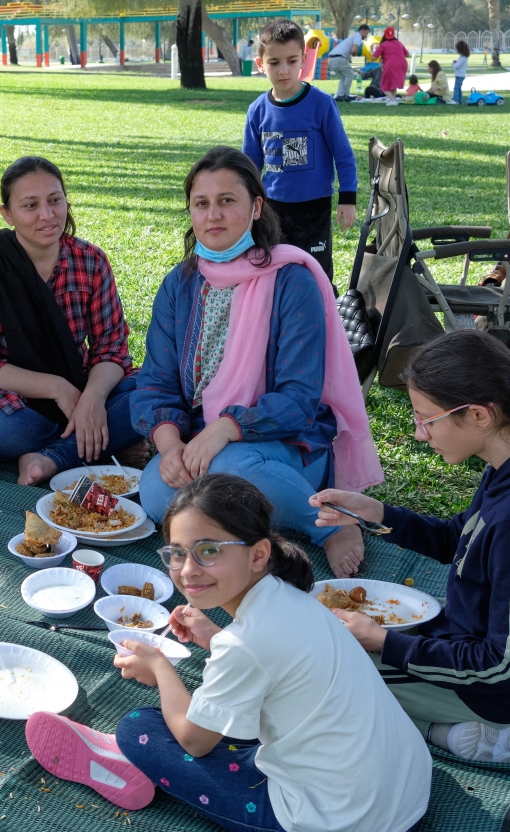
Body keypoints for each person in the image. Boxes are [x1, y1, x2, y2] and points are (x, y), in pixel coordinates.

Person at [23, 474, 431, 832]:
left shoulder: (244, 643)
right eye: (177, 552)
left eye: (209, 551)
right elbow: (271, 662)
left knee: (139, 729)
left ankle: (123, 758)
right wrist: (217, 636)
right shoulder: (297, 599)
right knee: (236, 722)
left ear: (258, 554)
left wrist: (160, 668)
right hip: (406, 792)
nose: (187, 570)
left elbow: (196, 742)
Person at [311, 330, 510, 763]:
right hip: (471, 646)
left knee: (312, 668)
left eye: (426, 419)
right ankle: (450, 731)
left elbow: (503, 664)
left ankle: (470, 729)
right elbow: (455, 538)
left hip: (488, 689)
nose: (421, 434)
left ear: (480, 415)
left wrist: (383, 643)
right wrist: (379, 513)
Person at [132, 147, 382, 578]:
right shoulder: (180, 283)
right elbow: (155, 380)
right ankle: (231, 523)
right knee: (155, 493)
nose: (214, 215)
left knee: (232, 471)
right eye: (201, 203)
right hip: (198, 443)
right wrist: (171, 446)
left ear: (256, 207)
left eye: (227, 200)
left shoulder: (291, 279)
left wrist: (223, 431)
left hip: (286, 442)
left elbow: (299, 400)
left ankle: (328, 522)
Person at [0, 156, 140, 486]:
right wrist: (58, 389)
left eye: (55, 200)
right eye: (30, 205)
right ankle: (96, 438)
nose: (47, 215)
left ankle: (55, 455)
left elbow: (112, 348)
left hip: (81, 389)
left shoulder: (91, 261)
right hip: (10, 403)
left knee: (150, 389)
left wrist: (93, 400)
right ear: (7, 213)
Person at [241, 19, 357, 287]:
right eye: (274, 63)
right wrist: (246, 205)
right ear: (261, 64)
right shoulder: (257, 110)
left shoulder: (322, 105)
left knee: (315, 274)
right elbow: (249, 166)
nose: (284, 70)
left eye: (292, 61)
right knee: (275, 273)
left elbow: (343, 155)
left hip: (314, 209)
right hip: (272, 209)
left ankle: (323, 321)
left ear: (304, 60)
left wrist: (347, 198)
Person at [325, 23, 371, 101]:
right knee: (350, 75)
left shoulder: (353, 36)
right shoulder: (358, 36)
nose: (366, 36)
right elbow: (354, 49)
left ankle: (340, 95)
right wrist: (354, 54)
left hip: (331, 58)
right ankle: (346, 95)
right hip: (339, 58)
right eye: (366, 33)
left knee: (343, 77)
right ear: (362, 31)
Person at [374, 26, 409, 106]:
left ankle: (393, 100)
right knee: (393, 84)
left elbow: (373, 58)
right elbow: (407, 54)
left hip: (390, 64)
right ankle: (393, 99)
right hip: (403, 64)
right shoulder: (398, 43)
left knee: (384, 86)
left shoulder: (383, 45)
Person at [453, 40, 471, 104]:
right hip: (461, 74)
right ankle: (459, 100)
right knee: (459, 88)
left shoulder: (462, 58)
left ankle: (456, 100)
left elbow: (457, 66)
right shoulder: (465, 57)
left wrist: (454, 63)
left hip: (459, 75)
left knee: (456, 88)